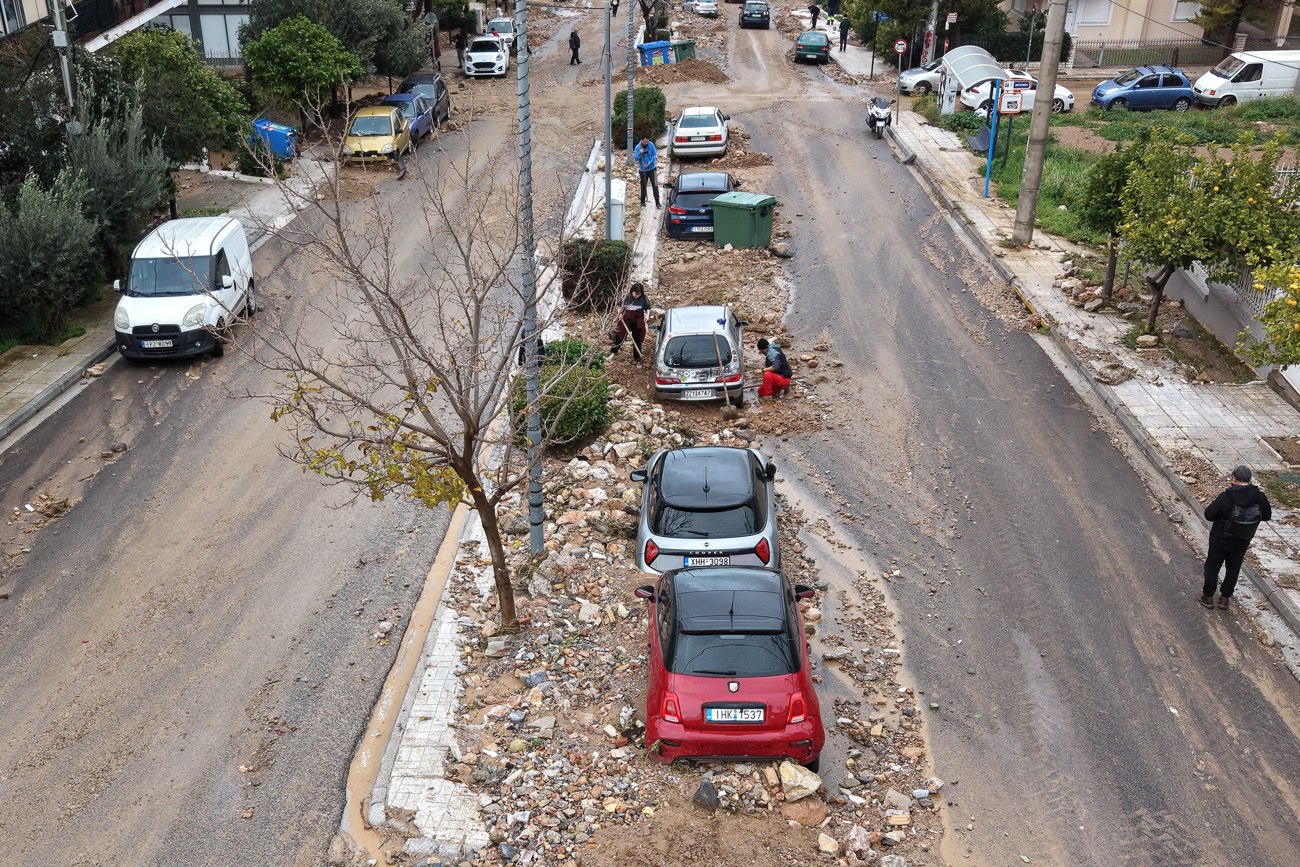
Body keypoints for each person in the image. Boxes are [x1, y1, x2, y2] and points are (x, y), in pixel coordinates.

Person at [1201, 465, 1272, 610]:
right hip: (1242, 540)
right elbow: (1267, 516)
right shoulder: (1259, 497)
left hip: (1220, 539)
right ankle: (1224, 599)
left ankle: (1208, 597)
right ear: (1249, 480)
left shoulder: (1226, 496)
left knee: (1212, 567)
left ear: (1234, 478)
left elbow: (1209, 515)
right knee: (1233, 569)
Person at [610, 283, 651, 361]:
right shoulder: (627, 297)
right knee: (620, 335)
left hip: (637, 320)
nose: (637, 296)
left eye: (639, 294)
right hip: (626, 318)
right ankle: (613, 352)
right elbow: (619, 306)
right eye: (635, 294)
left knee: (637, 338)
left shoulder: (644, 298)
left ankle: (637, 357)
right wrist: (620, 314)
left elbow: (648, 307)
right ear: (632, 291)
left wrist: (647, 315)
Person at [633, 135, 660, 207]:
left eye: (647, 141)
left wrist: (650, 163)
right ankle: (642, 201)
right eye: (645, 141)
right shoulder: (637, 147)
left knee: (655, 185)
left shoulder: (651, 145)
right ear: (641, 140)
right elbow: (635, 158)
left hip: (652, 168)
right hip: (643, 170)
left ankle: (657, 202)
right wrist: (640, 153)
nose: (647, 143)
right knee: (643, 185)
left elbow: (654, 155)